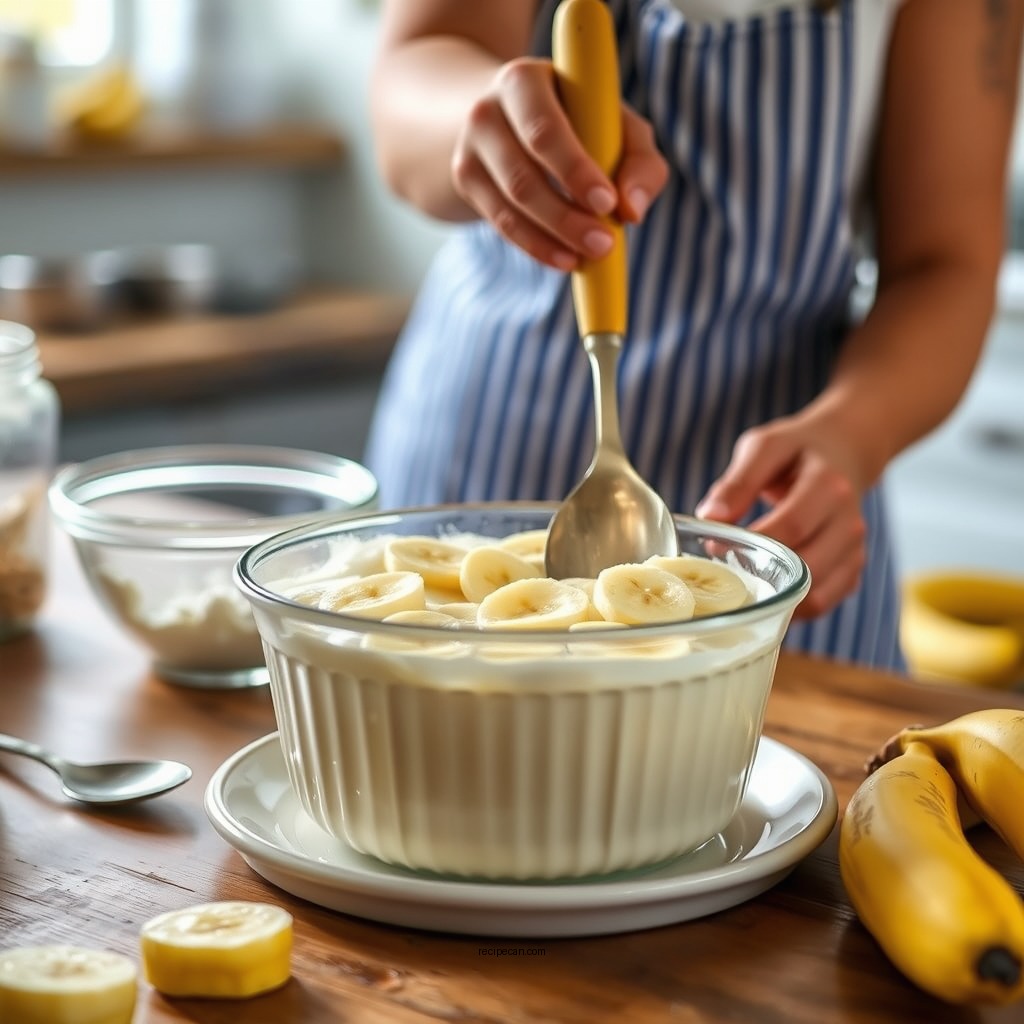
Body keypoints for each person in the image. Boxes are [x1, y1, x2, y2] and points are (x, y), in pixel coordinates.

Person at [363, 0, 1024, 670]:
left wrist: (854, 435)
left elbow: (944, 262)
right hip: (484, 447)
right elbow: (417, 69)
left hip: (776, 503)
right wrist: (481, 121)